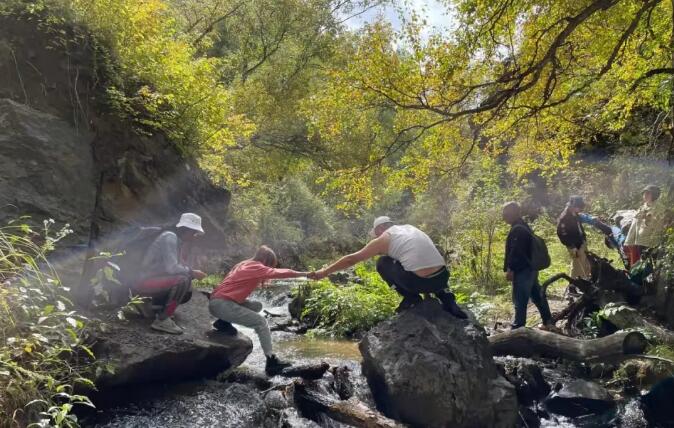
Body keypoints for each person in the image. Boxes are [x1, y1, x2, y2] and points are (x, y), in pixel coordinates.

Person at [312, 216, 467, 318]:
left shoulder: (385, 238)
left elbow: (352, 259)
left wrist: (324, 272)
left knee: (382, 263)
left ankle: (411, 298)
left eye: (376, 233)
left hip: (418, 283)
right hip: (442, 278)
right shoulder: (410, 228)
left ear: (380, 229)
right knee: (423, 262)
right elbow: (421, 257)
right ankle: (448, 299)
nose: (376, 237)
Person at [209, 245, 309, 375]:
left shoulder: (243, 264)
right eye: (270, 265)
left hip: (216, 302)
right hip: (223, 305)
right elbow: (281, 273)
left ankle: (222, 322)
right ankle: (271, 361)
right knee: (261, 322)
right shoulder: (256, 266)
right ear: (265, 260)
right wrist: (305, 274)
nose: (269, 268)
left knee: (257, 306)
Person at [133, 213, 207, 335]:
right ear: (186, 230)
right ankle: (162, 320)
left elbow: (175, 266)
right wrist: (192, 272)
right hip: (142, 280)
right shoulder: (170, 237)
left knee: (186, 286)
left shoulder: (176, 240)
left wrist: (191, 272)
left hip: (147, 277)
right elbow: (172, 268)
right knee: (183, 280)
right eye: (194, 233)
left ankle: (153, 307)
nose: (194, 237)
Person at [502, 202, 554, 330]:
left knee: (520, 300)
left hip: (522, 270)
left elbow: (516, 251)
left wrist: (510, 269)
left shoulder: (518, 229)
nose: (504, 216)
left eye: (506, 213)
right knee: (538, 295)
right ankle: (548, 322)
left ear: (513, 213)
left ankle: (518, 328)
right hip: (531, 269)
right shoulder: (523, 226)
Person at [624, 184, 663, 266]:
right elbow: (634, 226)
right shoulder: (642, 208)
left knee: (655, 265)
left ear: (654, 195)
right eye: (644, 193)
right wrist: (629, 240)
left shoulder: (659, 209)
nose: (645, 195)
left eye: (648, 193)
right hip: (640, 241)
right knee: (644, 265)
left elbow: (659, 226)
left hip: (652, 243)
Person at [557, 196, 592, 281]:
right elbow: (562, 234)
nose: (580, 209)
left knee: (587, 264)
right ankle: (572, 286)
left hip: (581, 242)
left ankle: (587, 282)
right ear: (572, 206)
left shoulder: (575, 214)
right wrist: (571, 246)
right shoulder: (564, 217)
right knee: (577, 266)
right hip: (574, 245)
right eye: (578, 207)